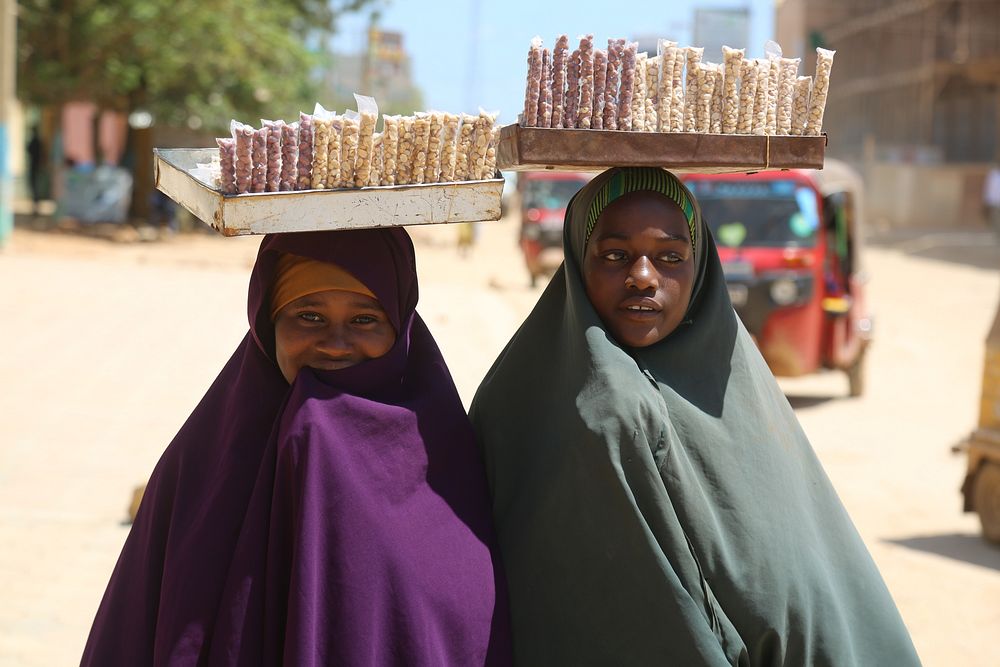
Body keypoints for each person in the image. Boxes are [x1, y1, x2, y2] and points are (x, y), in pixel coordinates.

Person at [470, 167, 920, 665]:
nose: (643, 277)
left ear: (700, 264)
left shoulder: (737, 378)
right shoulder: (600, 407)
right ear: (578, 259)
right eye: (616, 256)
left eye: (670, 258)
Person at [82, 227, 512, 665]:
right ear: (266, 321)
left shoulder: (444, 464)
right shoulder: (200, 467)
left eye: (365, 319)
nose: (335, 343)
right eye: (308, 316)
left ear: (401, 324)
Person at [26, 126, 44, 216]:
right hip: (36, 166)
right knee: (35, 187)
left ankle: (36, 206)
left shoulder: (35, 141)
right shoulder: (37, 142)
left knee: (35, 187)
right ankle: (36, 206)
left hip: (34, 167)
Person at [983, 162, 1000, 236]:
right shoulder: (993, 174)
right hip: (995, 203)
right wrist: (987, 201)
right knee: (996, 222)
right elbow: (989, 188)